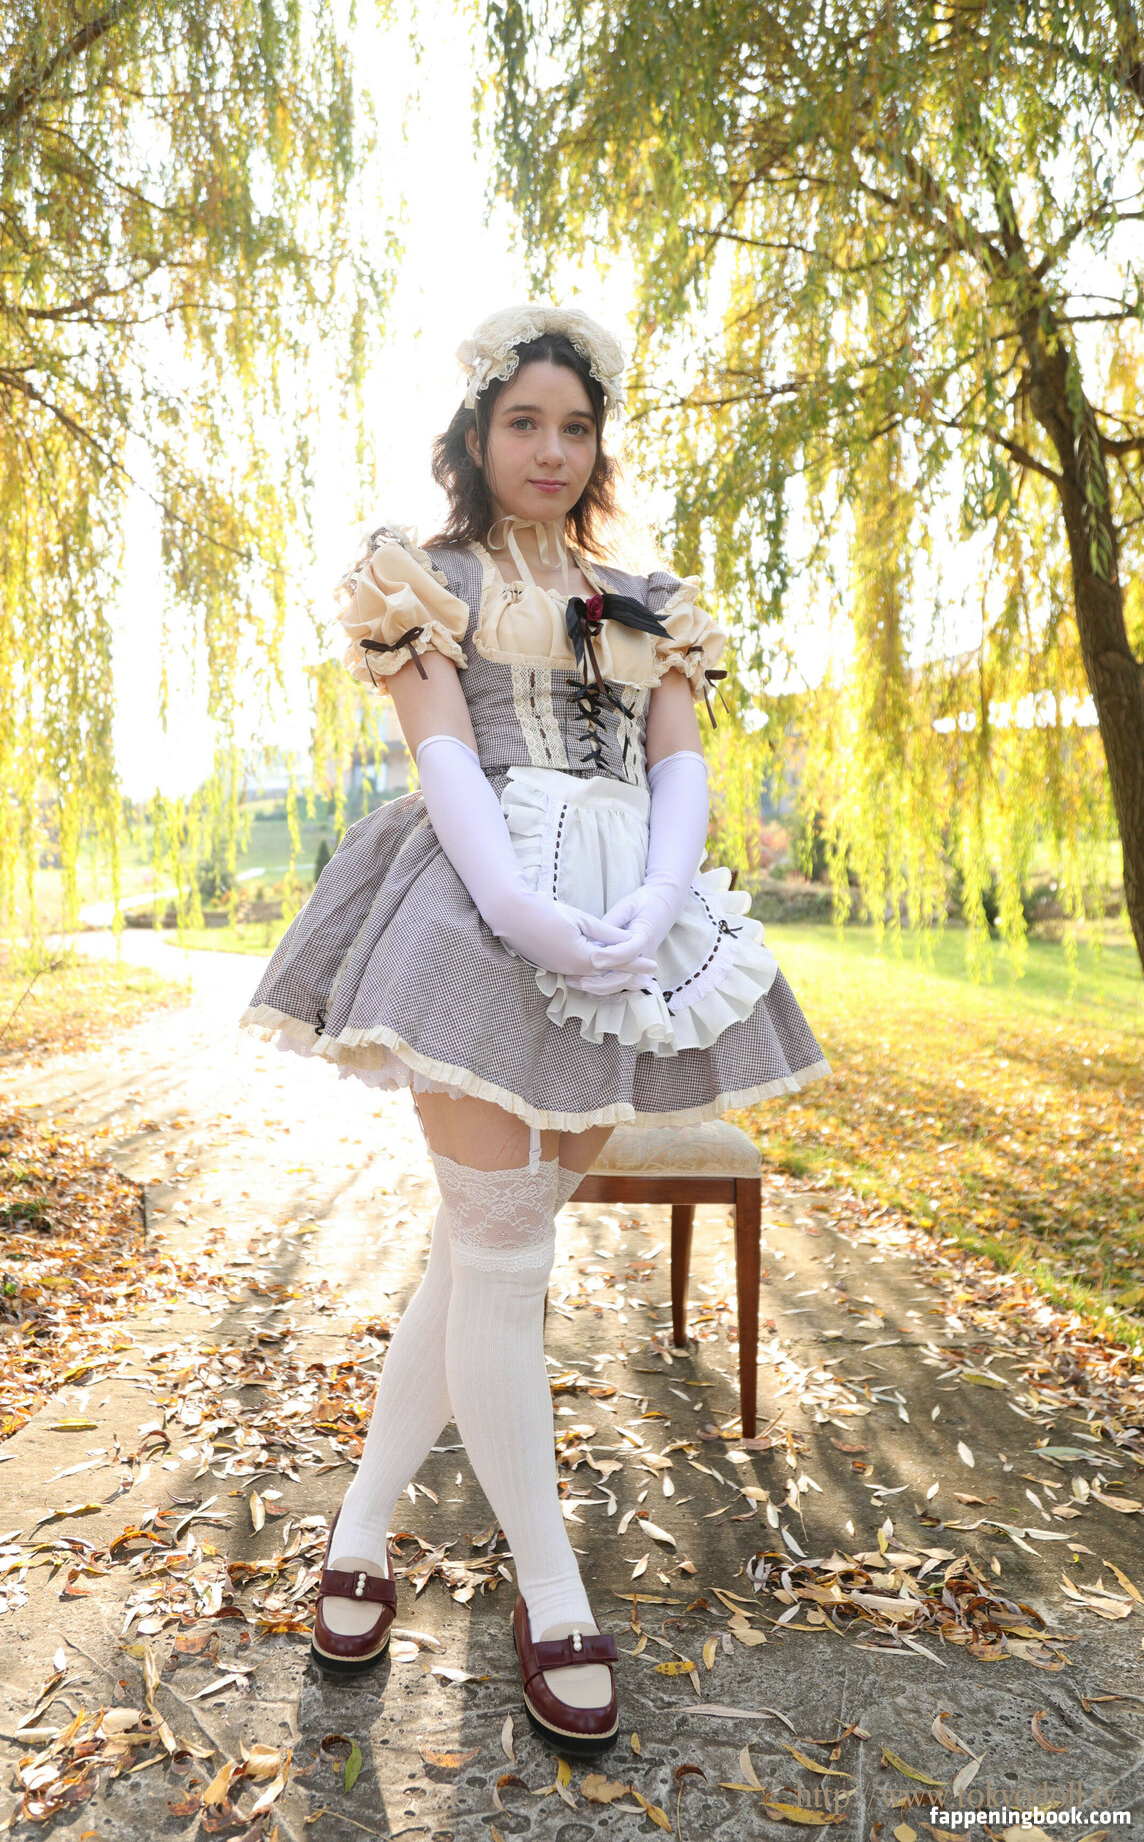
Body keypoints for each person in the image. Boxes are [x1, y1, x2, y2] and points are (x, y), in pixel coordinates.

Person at [241, 303, 829, 1753]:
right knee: (506, 1256)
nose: (551, 450)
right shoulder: (423, 579)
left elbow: (677, 761)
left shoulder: (648, 601)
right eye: (525, 423)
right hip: (474, 903)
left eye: (575, 426)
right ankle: (553, 1595)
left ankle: (360, 1535)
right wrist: (514, 901)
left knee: (479, 1254)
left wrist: (662, 894)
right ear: (478, 435)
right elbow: (442, 749)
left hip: (622, 918)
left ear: (597, 440)